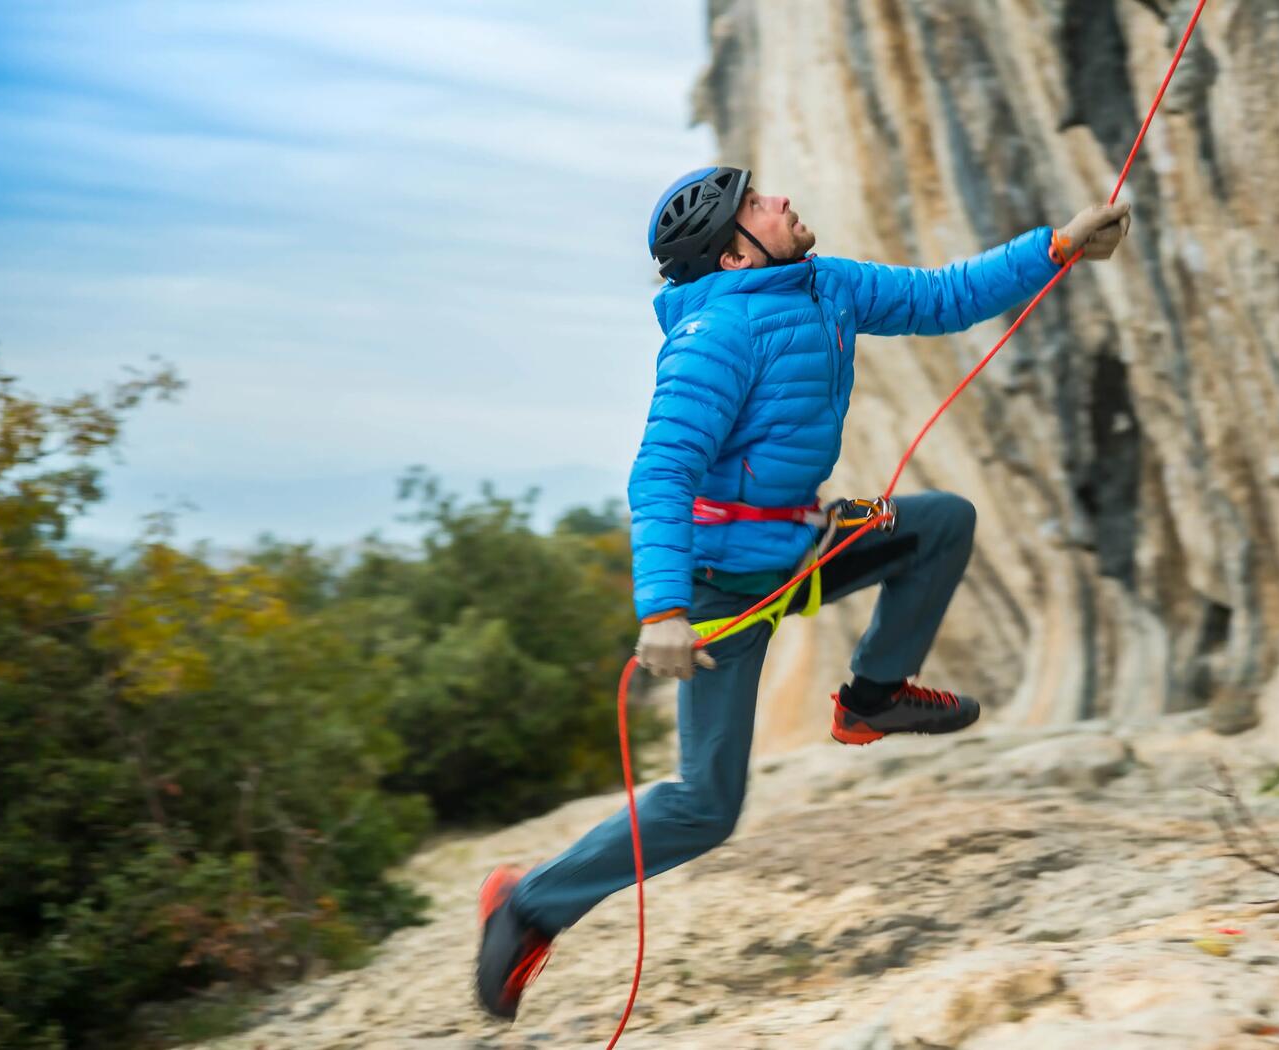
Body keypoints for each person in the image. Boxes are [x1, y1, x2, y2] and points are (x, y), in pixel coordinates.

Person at [475, 165, 1129, 1019]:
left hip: (798, 544)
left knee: (940, 524)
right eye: (753, 206)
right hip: (720, 591)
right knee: (705, 808)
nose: (777, 200)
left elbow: (942, 297)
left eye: (761, 193)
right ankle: (525, 906)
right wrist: (663, 612)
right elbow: (661, 472)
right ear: (736, 256)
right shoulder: (715, 336)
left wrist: (1058, 248)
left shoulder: (825, 285)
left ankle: (871, 697)